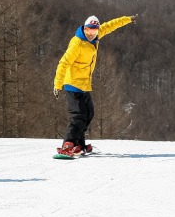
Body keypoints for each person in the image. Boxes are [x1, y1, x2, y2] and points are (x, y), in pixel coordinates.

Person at [53, 14, 135, 157]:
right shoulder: (77, 44)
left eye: (94, 31)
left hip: (84, 84)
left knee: (89, 113)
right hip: (72, 83)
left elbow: (110, 26)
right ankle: (68, 144)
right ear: (84, 29)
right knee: (78, 115)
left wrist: (128, 19)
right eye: (88, 30)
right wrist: (57, 84)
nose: (91, 34)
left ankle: (79, 144)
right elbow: (63, 63)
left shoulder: (95, 37)